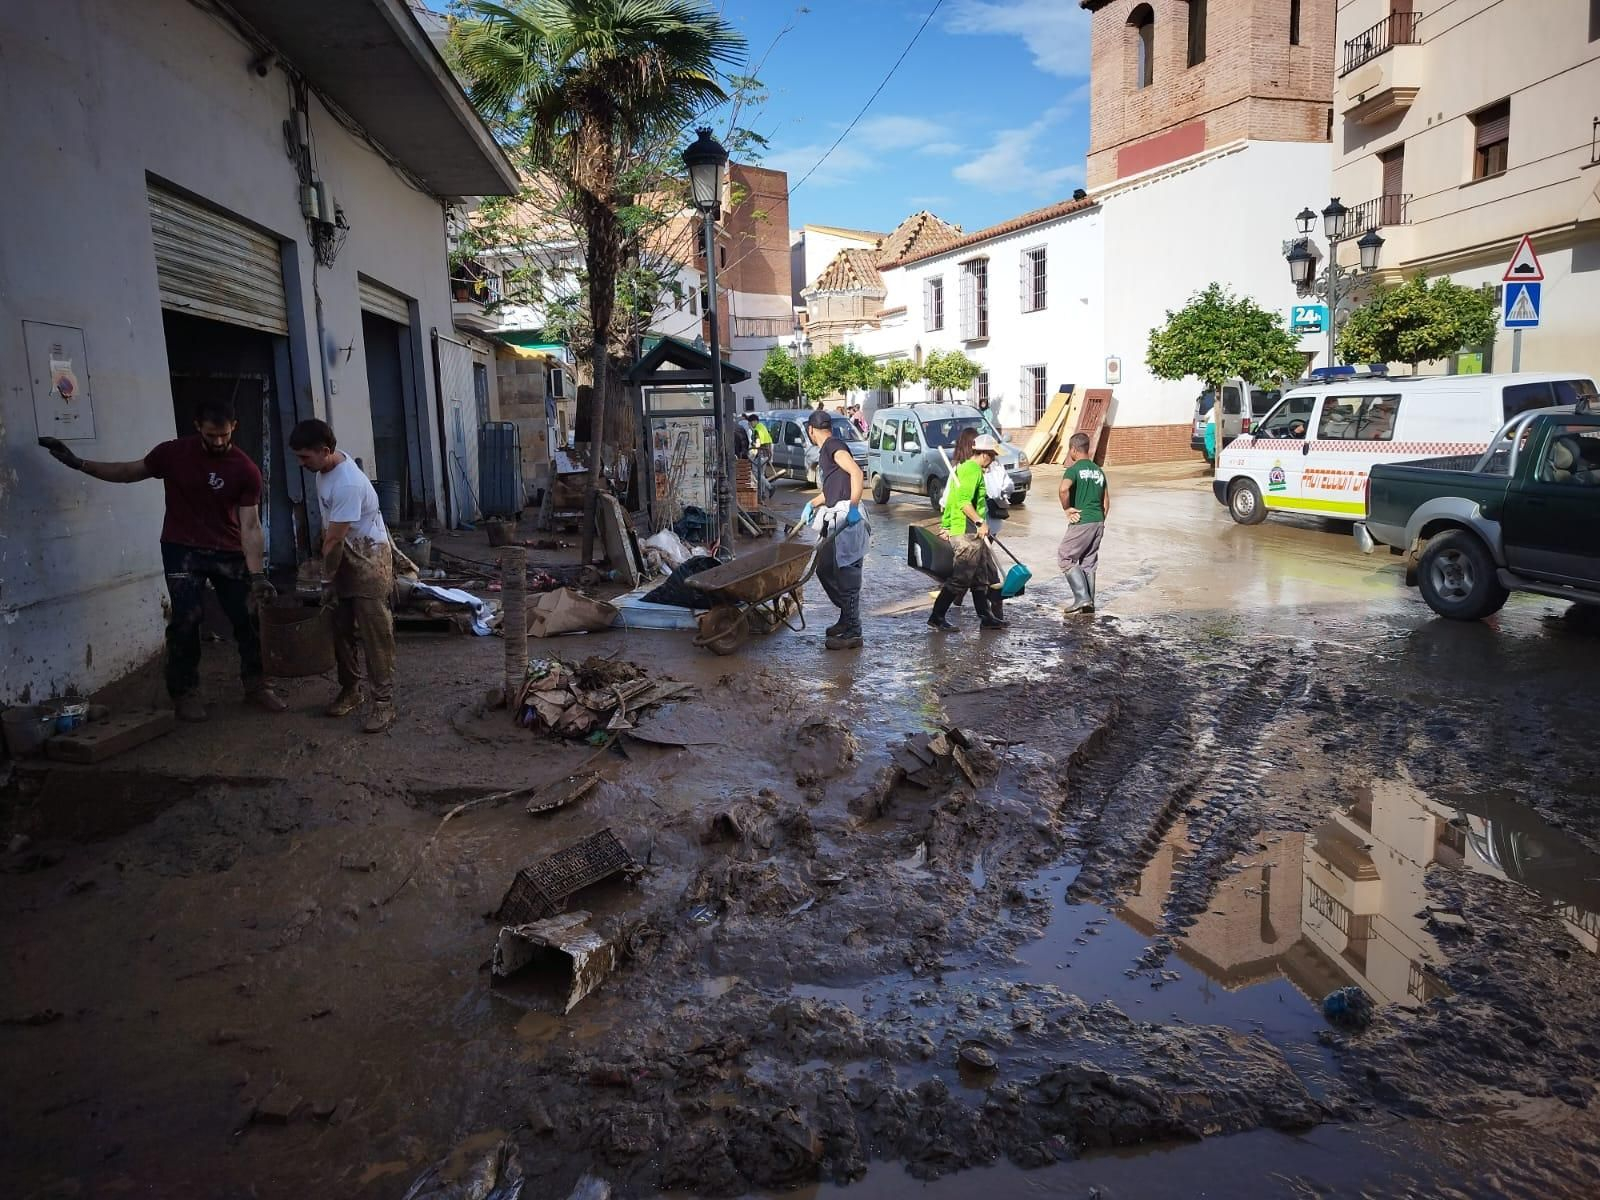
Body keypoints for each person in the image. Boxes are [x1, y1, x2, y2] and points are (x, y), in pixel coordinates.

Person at [38, 400, 285, 721]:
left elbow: (250, 525)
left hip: (227, 551)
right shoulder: (171, 454)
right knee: (186, 620)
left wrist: (257, 574)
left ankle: (257, 685)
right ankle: (185, 693)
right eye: (212, 435)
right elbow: (128, 472)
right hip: (181, 549)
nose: (220, 442)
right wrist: (79, 464)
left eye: (225, 435)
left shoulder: (245, 469)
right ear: (198, 426)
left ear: (233, 428)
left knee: (248, 617)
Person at [288, 419, 398, 733]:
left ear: (325, 451)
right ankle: (352, 691)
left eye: (305, 457)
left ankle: (384, 703)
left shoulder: (347, 483)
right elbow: (332, 534)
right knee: (340, 629)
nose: (301, 463)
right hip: (345, 550)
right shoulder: (326, 468)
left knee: (376, 635)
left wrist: (326, 580)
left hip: (367, 559)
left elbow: (334, 540)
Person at [799, 408, 867, 650]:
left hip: (847, 516)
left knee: (847, 571)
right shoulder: (829, 446)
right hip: (837, 513)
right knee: (825, 566)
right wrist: (812, 503)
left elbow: (856, 473)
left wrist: (853, 507)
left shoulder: (831, 446)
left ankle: (853, 629)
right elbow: (833, 488)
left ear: (811, 430)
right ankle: (846, 617)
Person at [930, 434, 1006, 632]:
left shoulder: (963, 469)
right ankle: (937, 617)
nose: (993, 460)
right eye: (993, 456)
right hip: (967, 532)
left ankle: (986, 617)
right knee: (961, 578)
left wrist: (946, 524)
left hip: (971, 532)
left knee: (980, 578)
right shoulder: (972, 470)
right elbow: (964, 502)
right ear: (984, 455)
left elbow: (952, 500)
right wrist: (980, 522)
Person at [1058, 432, 1108, 616]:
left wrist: (1067, 509)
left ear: (1073, 449)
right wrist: (1100, 520)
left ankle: (1081, 598)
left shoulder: (1074, 469)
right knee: (1088, 561)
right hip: (1098, 521)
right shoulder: (1099, 471)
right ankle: (1089, 604)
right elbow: (1106, 502)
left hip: (1082, 521)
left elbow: (1063, 489)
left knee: (1065, 556)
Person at [745, 411, 774, 501]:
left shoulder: (757, 430)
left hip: (760, 455)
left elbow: (757, 444)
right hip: (766, 454)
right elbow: (769, 440)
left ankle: (770, 487)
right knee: (761, 474)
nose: (750, 425)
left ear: (754, 421)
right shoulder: (763, 427)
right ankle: (762, 494)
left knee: (756, 472)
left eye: (750, 423)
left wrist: (752, 454)